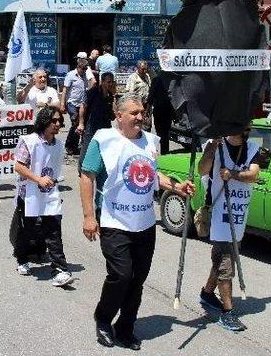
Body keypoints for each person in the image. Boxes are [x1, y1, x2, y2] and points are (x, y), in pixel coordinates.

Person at [79, 93, 194, 350]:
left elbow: (154, 175)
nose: (140, 117)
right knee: (121, 275)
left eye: (142, 112)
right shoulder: (104, 140)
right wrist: (88, 217)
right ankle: (103, 319)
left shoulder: (151, 142)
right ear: (119, 115)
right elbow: (87, 176)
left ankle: (126, 327)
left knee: (137, 279)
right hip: (113, 220)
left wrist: (177, 186)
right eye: (134, 113)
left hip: (144, 223)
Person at [197, 128, 260, 332]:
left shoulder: (251, 147)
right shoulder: (215, 144)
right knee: (226, 264)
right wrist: (212, 147)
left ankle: (207, 294)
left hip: (238, 214)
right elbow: (202, 170)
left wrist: (232, 174)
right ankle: (228, 312)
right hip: (218, 214)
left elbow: (253, 175)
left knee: (225, 258)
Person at [11, 107, 75, 287]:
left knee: (54, 231)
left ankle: (60, 269)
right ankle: (22, 258)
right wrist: (38, 179)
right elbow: (19, 166)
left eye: (59, 121)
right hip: (30, 194)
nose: (57, 124)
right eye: (53, 121)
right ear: (44, 121)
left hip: (50, 193)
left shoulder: (58, 145)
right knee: (27, 230)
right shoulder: (30, 142)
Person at [76, 72, 115, 174]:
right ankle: (81, 172)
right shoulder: (93, 92)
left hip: (105, 127)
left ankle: (100, 172)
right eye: (108, 82)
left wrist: (114, 97)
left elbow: (113, 115)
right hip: (91, 127)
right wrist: (81, 123)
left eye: (112, 82)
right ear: (102, 82)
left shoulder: (111, 95)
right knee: (86, 150)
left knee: (104, 151)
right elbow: (83, 106)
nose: (110, 84)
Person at [61, 60, 87, 155]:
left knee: (79, 125)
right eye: (83, 69)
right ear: (78, 67)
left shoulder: (85, 76)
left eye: (85, 69)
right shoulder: (71, 75)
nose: (84, 71)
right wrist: (62, 104)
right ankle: (69, 145)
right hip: (72, 103)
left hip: (82, 104)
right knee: (75, 122)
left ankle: (74, 146)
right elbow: (65, 89)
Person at [147, 73, 174, 154]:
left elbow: (151, 96)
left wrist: (148, 109)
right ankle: (165, 152)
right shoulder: (171, 80)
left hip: (159, 110)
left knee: (159, 132)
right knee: (165, 133)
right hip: (168, 110)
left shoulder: (156, 80)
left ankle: (160, 151)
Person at [125, 60, 152, 131]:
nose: (145, 71)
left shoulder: (147, 76)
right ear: (138, 68)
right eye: (143, 69)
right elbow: (130, 93)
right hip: (137, 105)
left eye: (146, 69)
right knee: (137, 125)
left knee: (147, 125)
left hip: (146, 105)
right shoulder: (133, 77)